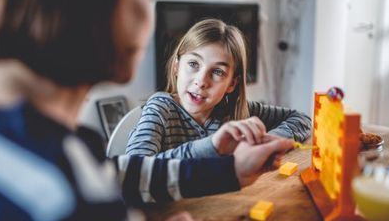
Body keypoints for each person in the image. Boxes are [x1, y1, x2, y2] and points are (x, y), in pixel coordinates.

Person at [0, 0, 294, 221]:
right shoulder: (70, 194)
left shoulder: (25, 139)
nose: (150, 20)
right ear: (93, 4)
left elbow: (120, 173)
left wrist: (229, 170)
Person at [126, 19, 311, 159]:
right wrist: (211, 147)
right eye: (193, 64)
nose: (201, 81)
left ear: (231, 84)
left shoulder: (233, 109)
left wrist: (269, 141)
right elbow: (136, 170)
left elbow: (301, 119)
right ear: (176, 67)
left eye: (217, 72)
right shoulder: (160, 109)